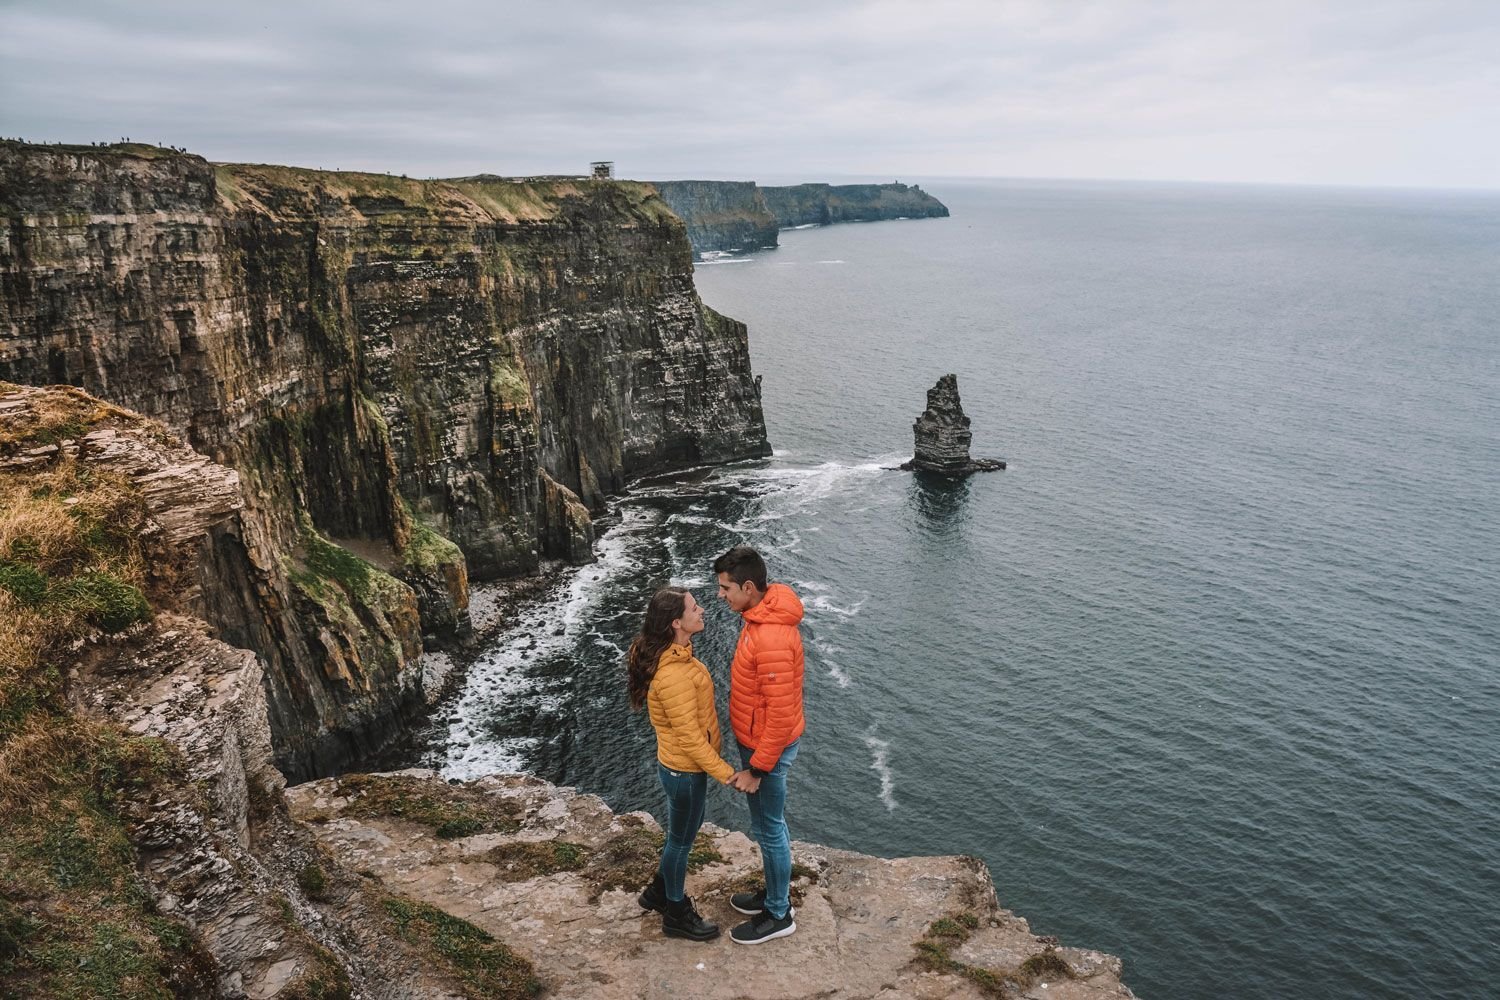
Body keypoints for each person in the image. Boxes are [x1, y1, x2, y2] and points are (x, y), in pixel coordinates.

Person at [628, 586, 739, 942]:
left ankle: (658, 892)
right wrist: (726, 774)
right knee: (680, 842)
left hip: (679, 768)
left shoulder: (677, 657)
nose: (703, 610)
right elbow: (690, 739)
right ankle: (676, 913)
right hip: (684, 773)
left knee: (680, 838)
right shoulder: (673, 674)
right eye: (694, 608)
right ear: (676, 622)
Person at [716, 545, 806, 945]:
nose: (721, 596)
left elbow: (782, 715)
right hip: (758, 742)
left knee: (769, 828)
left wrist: (758, 768)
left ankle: (779, 912)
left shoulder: (769, 635)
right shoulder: (760, 615)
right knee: (764, 825)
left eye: (726, 588)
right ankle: (772, 894)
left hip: (765, 750)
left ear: (748, 587)